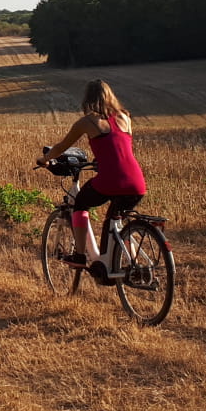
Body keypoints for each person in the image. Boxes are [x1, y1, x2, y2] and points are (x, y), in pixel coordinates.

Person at [35, 79, 146, 280]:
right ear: (111, 96)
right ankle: (131, 264)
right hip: (136, 181)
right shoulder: (125, 117)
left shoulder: (88, 121)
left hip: (112, 180)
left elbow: (60, 148)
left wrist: (44, 159)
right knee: (116, 221)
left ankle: (78, 255)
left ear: (87, 99)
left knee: (80, 204)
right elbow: (118, 148)